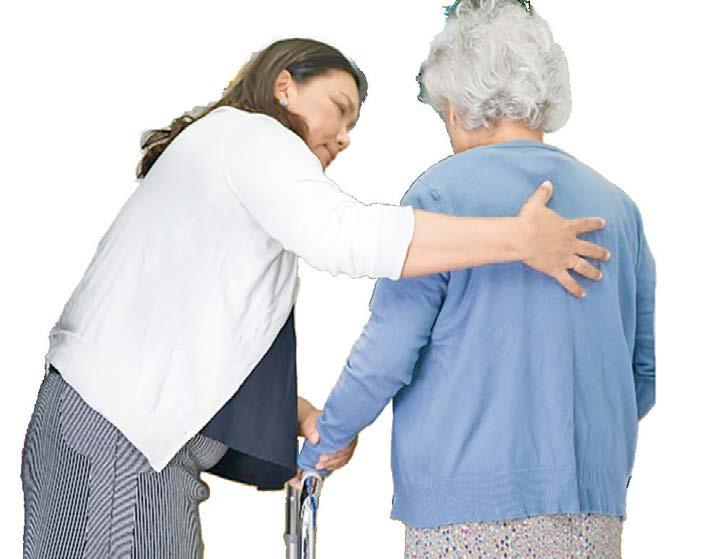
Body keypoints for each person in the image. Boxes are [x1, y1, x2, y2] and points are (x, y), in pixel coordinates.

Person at [20, 36, 609, 558]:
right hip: (118, 440)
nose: (345, 137)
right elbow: (344, 236)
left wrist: (299, 413)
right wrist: (519, 238)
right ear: (285, 86)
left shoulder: (224, 156)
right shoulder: (253, 134)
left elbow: (197, 327)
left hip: (94, 422)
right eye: (339, 108)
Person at [298, 2, 655, 557]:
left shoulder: (442, 196)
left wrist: (329, 438)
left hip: (465, 515)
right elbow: (641, 376)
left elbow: (388, 350)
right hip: (594, 514)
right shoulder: (619, 209)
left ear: (458, 103)